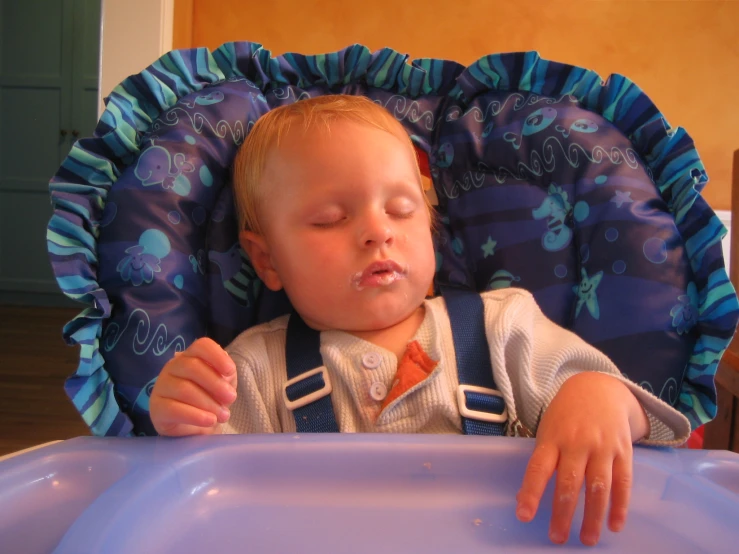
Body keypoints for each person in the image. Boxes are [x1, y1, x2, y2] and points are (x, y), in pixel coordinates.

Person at [149, 95, 690, 546]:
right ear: (266, 260)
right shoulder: (254, 368)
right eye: (330, 219)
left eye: (402, 209)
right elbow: (205, 499)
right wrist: (182, 416)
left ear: (429, 228)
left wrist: (597, 396)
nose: (376, 232)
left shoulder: (504, 327)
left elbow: (642, 425)